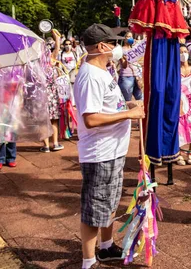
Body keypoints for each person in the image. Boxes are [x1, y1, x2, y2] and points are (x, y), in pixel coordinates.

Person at [74, 24, 145, 269]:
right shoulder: (90, 76)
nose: (118, 47)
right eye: (114, 43)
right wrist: (128, 116)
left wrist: (127, 107)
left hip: (113, 151)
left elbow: (108, 108)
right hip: (99, 153)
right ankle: (88, 260)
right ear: (102, 46)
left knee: (109, 204)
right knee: (94, 209)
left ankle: (105, 248)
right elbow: (91, 119)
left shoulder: (103, 71)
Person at [128, 0, 189, 165]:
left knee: (171, 89)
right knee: (158, 87)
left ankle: (169, 147)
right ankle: (152, 148)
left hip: (171, 12)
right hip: (156, 11)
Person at [42, 30, 64, 153]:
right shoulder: (51, 60)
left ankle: (46, 146)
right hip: (52, 95)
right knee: (54, 120)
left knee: (43, 121)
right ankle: (55, 143)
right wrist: (56, 38)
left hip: (41, 95)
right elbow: (57, 49)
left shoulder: (36, 63)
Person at [118, 31, 143, 102]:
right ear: (124, 38)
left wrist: (139, 76)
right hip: (126, 77)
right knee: (126, 100)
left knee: (140, 98)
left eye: (131, 37)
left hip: (136, 76)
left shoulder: (134, 50)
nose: (130, 38)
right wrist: (126, 60)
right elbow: (124, 66)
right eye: (128, 37)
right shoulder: (121, 50)